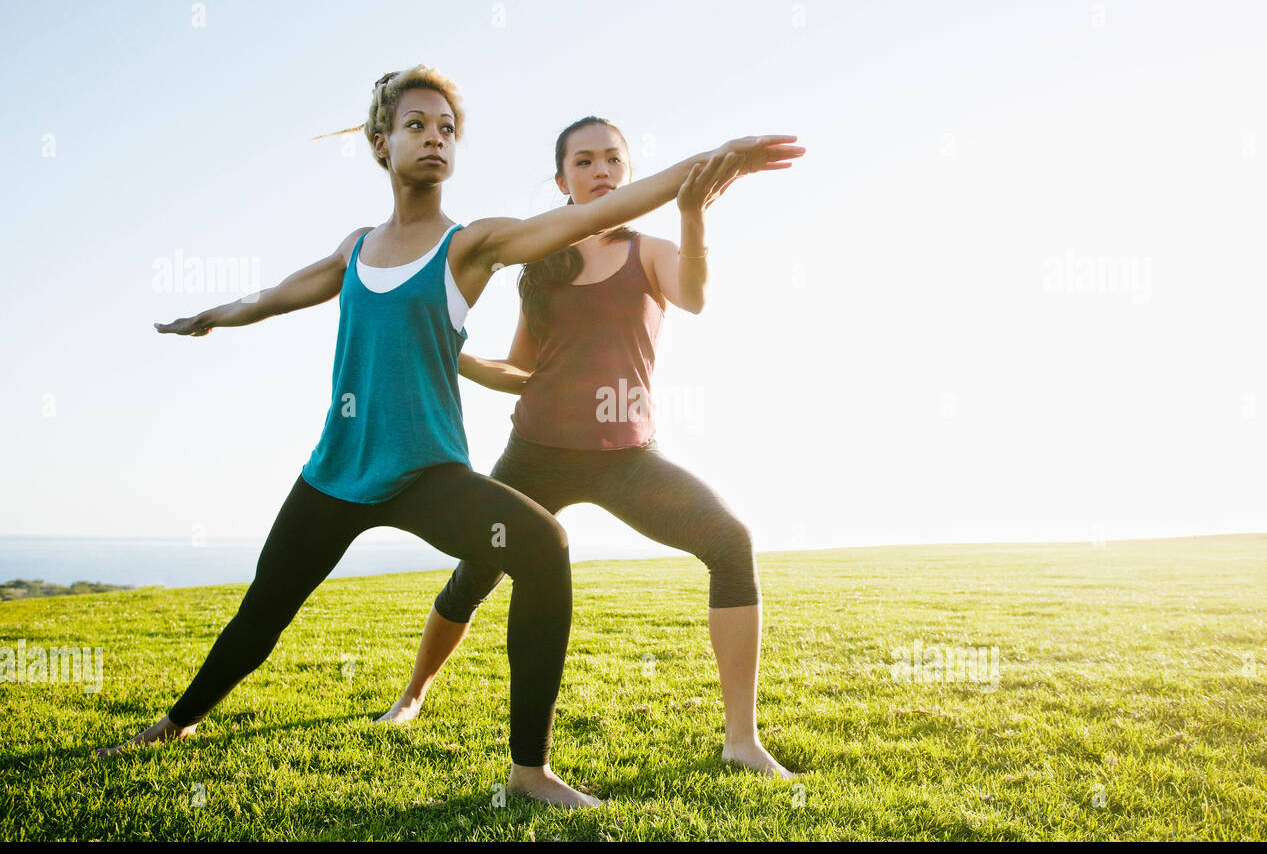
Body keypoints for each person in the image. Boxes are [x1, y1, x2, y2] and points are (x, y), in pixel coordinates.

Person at [95, 66, 802, 809]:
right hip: (338, 472)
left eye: (446, 129)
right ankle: (173, 725)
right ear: (380, 144)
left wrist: (715, 160)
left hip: (432, 472)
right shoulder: (356, 248)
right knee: (263, 612)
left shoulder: (475, 244)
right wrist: (209, 314)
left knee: (543, 549)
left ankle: (530, 772)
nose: (434, 138)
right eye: (416, 125)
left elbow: (604, 214)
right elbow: (272, 296)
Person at [377, 116, 792, 777]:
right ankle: (412, 695)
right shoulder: (540, 262)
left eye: (612, 161)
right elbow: (522, 369)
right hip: (536, 452)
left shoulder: (649, 250)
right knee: (477, 571)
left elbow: (694, 297)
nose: (601, 172)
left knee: (729, 542)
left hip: (626, 456)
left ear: (627, 172)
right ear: (562, 177)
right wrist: (453, 356)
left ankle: (741, 740)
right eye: (584, 161)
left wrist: (691, 213)